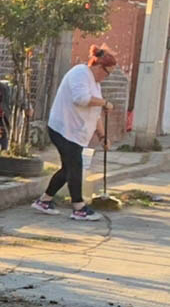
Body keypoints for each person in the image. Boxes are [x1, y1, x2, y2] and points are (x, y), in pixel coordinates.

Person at [33, 45, 115, 222]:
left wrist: (102, 136)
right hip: (63, 129)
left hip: (75, 133)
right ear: (98, 65)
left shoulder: (95, 83)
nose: (107, 76)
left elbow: (95, 114)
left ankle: (44, 201)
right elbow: (81, 99)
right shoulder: (80, 73)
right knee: (75, 165)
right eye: (107, 72)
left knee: (68, 168)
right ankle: (79, 207)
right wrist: (104, 102)